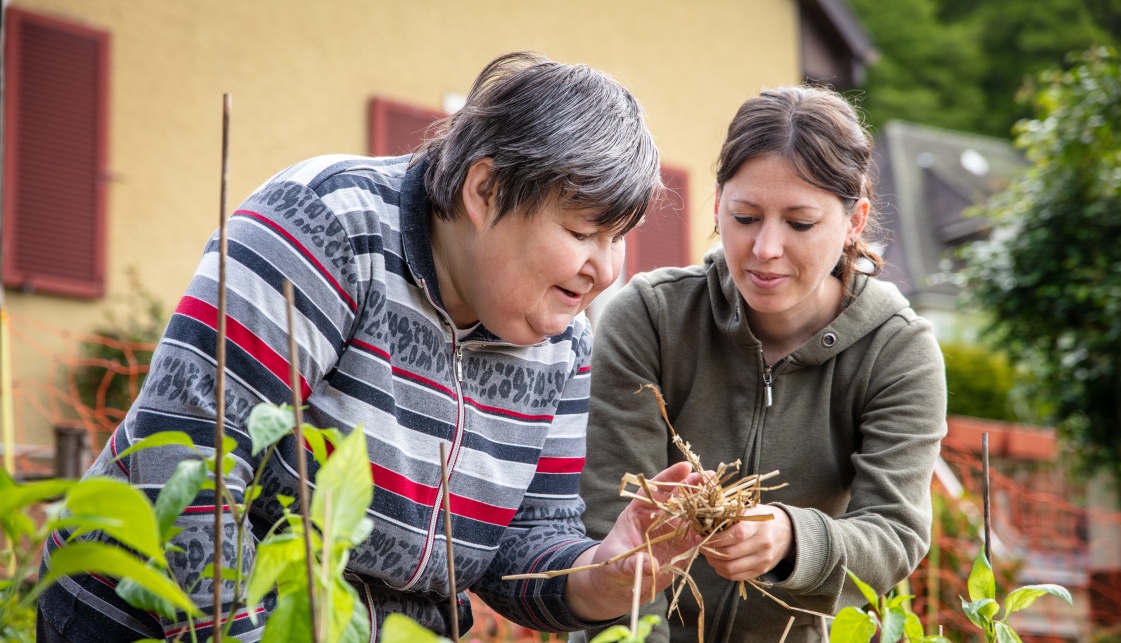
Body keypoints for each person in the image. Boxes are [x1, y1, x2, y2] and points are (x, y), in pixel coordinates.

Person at [38, 51, 699, 642]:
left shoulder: (562, 339)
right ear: (485, 189)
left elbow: (518, 549)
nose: (606, 269)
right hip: (138, 615)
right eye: (584, 232)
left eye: (619, 237)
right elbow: (186, 462)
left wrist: (605, 574)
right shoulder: (323, 225)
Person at [579, 85, 947, 643]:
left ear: (854, 221)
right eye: (745, 216)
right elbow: (613, 518)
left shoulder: (897, 353)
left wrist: (793, 539)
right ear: (718, 202)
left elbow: (894, 534)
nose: (765, 248)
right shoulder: (652, 318)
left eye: (800, 224)